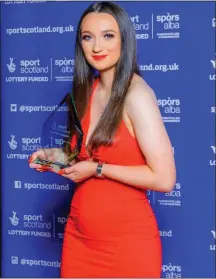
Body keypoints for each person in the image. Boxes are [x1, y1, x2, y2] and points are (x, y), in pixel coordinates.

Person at [29, 1, 176, 277]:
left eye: (108, 35)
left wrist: (98, 170)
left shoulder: (137, 97)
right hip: (79, 240)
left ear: (125, 39)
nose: (97, 47)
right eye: (88, 37)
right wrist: (52, 157)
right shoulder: (86, 91)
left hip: (128, 246)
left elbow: (165, 178)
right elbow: (83, 156)